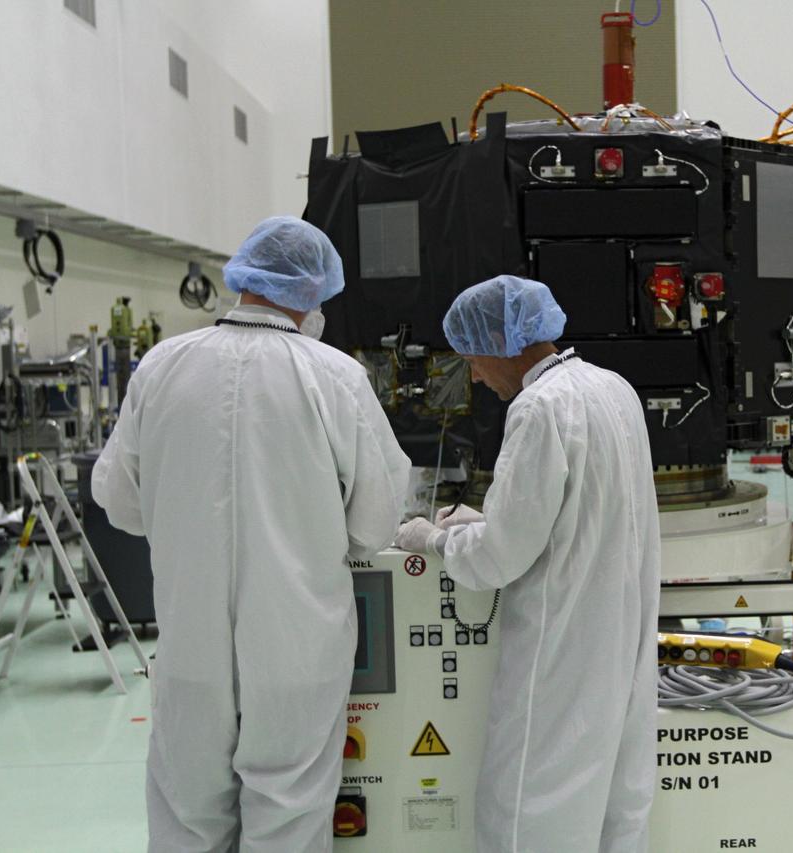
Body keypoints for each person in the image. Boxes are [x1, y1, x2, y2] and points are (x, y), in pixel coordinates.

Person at [93, 216, 412, 852]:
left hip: (190, 643)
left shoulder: (162, 367)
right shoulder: (333, 376)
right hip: (297, 641)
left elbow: (118, 502)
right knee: (290, 813)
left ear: (244, 278)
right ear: (313, 294)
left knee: (187, 817)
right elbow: (377, 519)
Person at [396, 275, 661, 853]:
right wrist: (482, 522)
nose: (475, 376)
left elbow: (498, 559)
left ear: (501, 342)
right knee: (615, 805)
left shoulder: (540, 407)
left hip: (560, 647)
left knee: (530, 808)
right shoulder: (611, 388)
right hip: (619, 634)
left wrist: (432, 541)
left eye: (473, 360)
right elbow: (575, 514)